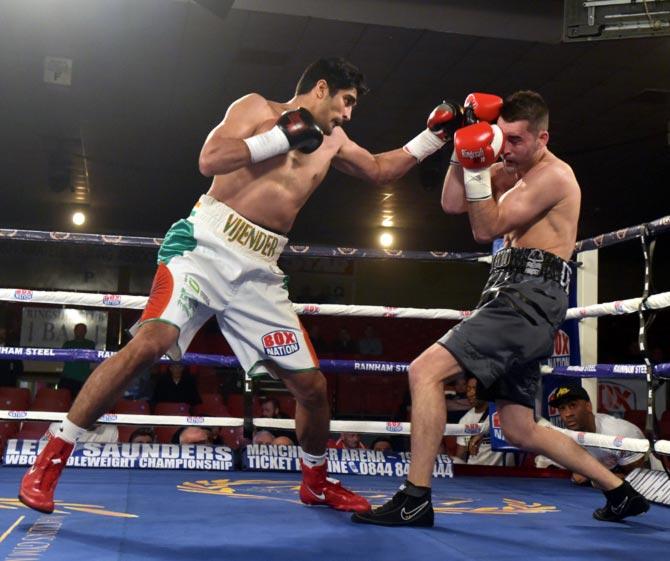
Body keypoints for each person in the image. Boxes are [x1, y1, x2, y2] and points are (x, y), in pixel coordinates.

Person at [20, 57, 457, 514]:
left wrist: (434, 137)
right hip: (204, 245)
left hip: (260, 267)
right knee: (150, 344)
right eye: (346, 102)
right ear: (322, 88)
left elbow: (380, 170)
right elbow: (209, 158)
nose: (348, 114)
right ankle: (50, 458)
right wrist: (278, 137)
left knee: (311, 386)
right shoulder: (255, 108)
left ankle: (316, 481)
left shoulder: (336, 141)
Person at [353, 90, 650, 526]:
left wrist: (477, 169)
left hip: (527, 296)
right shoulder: (509, 169)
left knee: (424, 371)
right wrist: (460, 148)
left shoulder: (553, 176)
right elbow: (452, 203)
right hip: (512, 294)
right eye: (500, 138)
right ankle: (620, 491)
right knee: (518, 427)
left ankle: (415, 497)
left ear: (542, 137)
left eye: (514, 141)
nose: (504, 149)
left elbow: (485, 227)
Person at [536, 385, 648, 484]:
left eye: (573, 405)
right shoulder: (567, 437)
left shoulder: (619, 434)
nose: (567, 414)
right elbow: (547, 466)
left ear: (588, 406)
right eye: (562, 408)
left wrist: (592, 475)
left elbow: (639, 480)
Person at [453, 376, 505, 466]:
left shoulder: (500, 412)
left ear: (486, 390)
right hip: (475, 473)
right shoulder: (465, 419)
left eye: (475, 389)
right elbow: (461, 455)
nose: (470, 393)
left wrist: (482, 432)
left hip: (500, 473)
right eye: (468, 389)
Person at [58, 323, 96, 398]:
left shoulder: (90, 344)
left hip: (82, 379)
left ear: (85, 332)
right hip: (67, 378)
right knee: (63, 400)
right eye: (78, 330)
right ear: (74, 331)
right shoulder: (68, 344)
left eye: (82, 330)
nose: (80, 332)